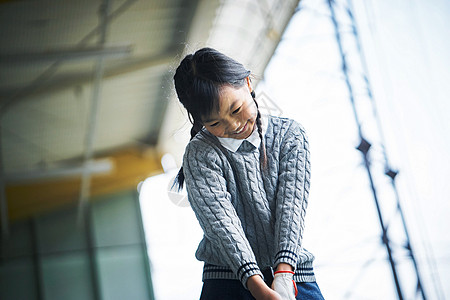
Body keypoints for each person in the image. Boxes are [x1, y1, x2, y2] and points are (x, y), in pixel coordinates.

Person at [172, 47, 324, 300]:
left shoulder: (290, 136)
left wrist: (284, 275)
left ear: (247, 82)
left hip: (294, 275)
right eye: (214, 123)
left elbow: (291, 211)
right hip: (227, 283)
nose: (232, 126)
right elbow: (222, 226)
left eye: (235, 109)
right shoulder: (200, 154)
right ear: (199, 121)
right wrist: (256, 286)